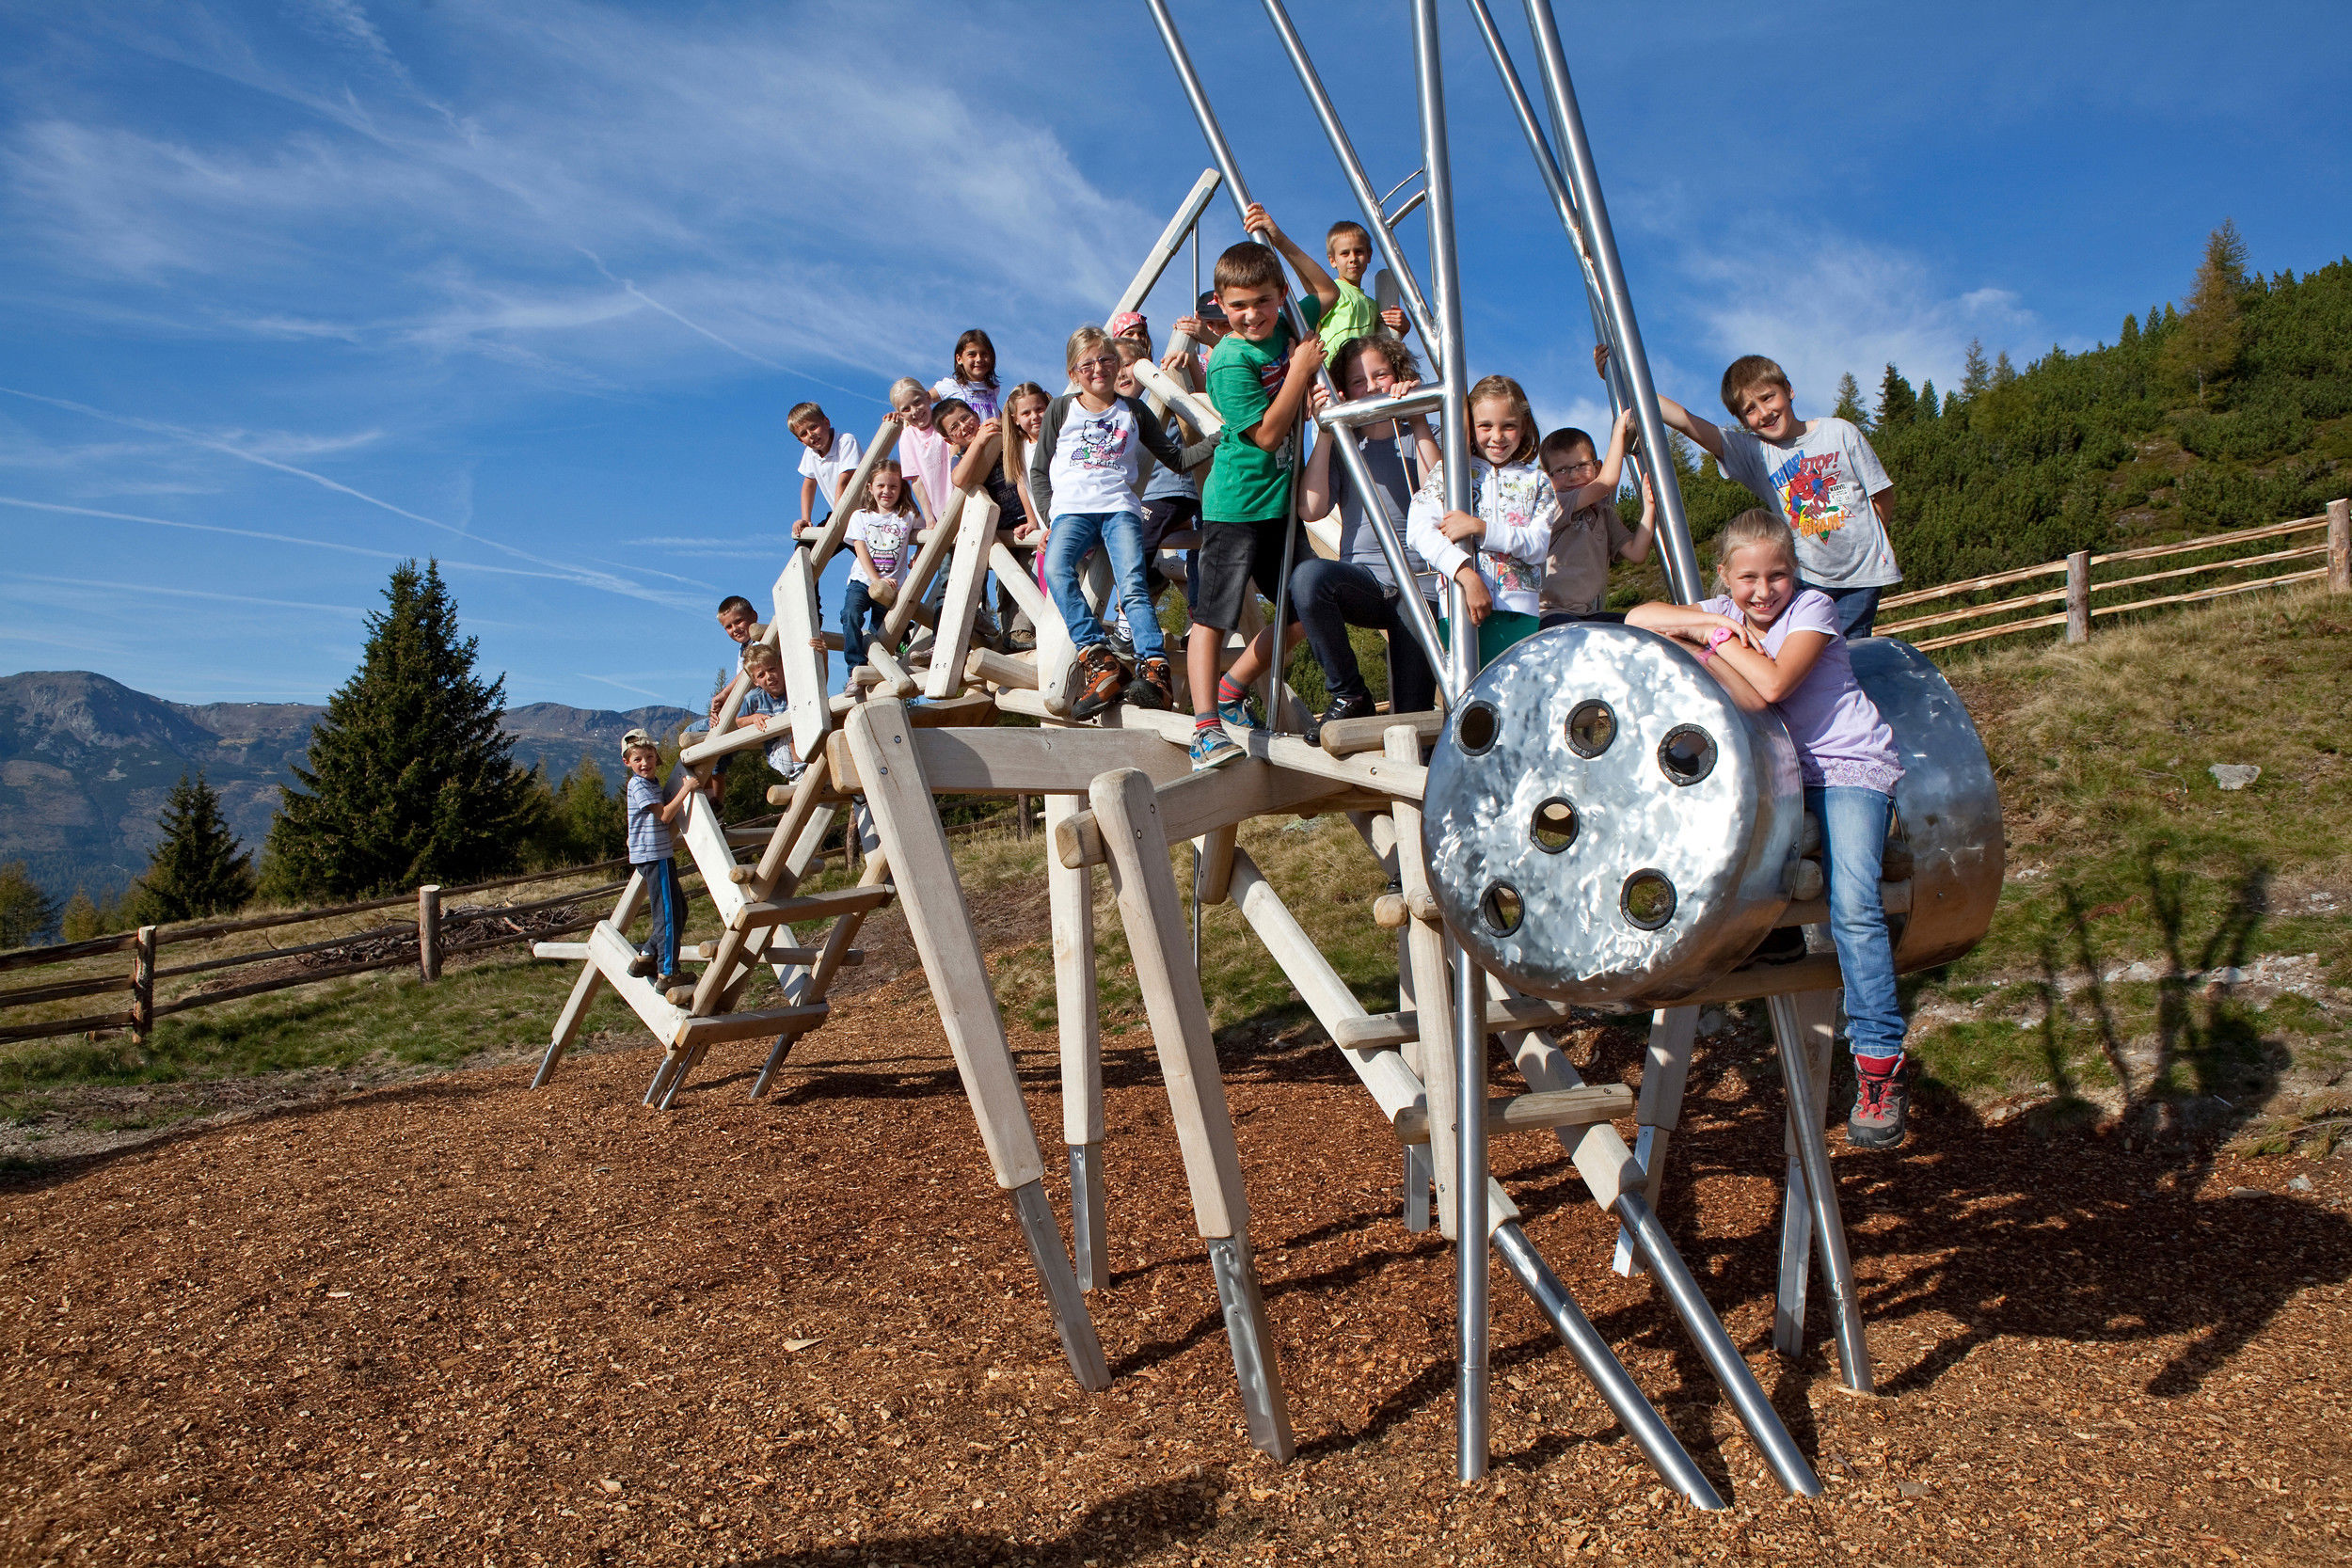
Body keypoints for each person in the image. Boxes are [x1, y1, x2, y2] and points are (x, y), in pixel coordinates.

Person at [1626, 509, 1913, 1148]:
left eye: (1777, 574)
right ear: (1726, 577)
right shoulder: (1725, 609)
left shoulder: (1811, 609)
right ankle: (1767, 939)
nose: (1763, 591)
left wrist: (1715, 645)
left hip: (1844, 765)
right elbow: (1637, 619)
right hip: (1773, 773)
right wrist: (1711, 621)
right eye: (1748, 578)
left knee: (1854, 904)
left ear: (1796, 573)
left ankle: (1878, 1062)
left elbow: (1774, 686)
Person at [1601, 346, 1899, 635]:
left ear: (1789, 390)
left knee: (1848, 657)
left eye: (1768, 397)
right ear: (1741, 420)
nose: (1764, 412)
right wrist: (1619, 378)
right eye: (1750, 410)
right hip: (1805, 579)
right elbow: (1685, 420)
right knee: (1799, 656)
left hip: (1861, 577)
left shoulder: (1839, 432)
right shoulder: (1757, 455)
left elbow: (1881, 493)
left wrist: (1869, 547)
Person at [1188, 202, 1337, 770]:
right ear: (1222, 309)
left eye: (1263, 302)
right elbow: (1269, 435)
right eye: (1239, 306)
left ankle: (1231, 690)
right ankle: (1204, 725)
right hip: (1236, 504)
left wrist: (1278, 235)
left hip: (1279, 505)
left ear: (1278, 296)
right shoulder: (1229, 360)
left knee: (1303, 610)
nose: (1253, 316)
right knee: (1213, 615)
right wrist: (1300, 373)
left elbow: (1325, 292)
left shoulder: (1287, 327)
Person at [1030, 324, 1197, 719]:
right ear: (1074, 373)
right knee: (1056, 567)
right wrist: (1050, 516)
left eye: (1106, 359)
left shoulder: (1133, 410)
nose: (1098, 368)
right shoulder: (1061, 408)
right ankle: (1099, 659)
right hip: (1071, 511)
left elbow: (1175, 458)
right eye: (1087, 363)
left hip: (1120, 508)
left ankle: (1154, 669)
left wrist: (1218, 440)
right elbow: (1039, 470)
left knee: (1134, 585)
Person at [1292, 334, 1443, 736]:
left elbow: (1440, 495)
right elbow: (1311, 508)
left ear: (1399, 375)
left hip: (1422, 586)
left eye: (1381, 374)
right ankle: (1349, 692)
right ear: (1345, 390)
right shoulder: (1347, 443)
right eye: (1359, 381)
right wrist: (1327, 428)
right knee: (1308, 579)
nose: (1372, 386)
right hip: (1368, 582)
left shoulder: (1419, 434)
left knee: (1411, 719)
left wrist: (1416, 414)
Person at [1406, 376, 1613, 669]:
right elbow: (1418, 531)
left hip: (1520, 616)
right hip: (1460, 608)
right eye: (1485, 425)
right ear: (1468, 426)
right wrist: (1465, 575)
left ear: (1524, 426)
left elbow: (1537, 546)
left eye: (1508, 426)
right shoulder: (1449, 473)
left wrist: (1480, 528)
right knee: (1469, 699)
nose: (1497, 436)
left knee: (1517, 702)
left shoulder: (1537, 481)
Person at [1535, 424, 1654, 626]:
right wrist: (1619, 433)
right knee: (1574, 635)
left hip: (1586, 614)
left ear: (1597, 468)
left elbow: (1637, 553)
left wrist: (1649, 506)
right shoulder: (1557, 504)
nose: (1573, 476)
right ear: (1549, 479)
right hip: (1549, 613)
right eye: (1562, 470)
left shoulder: (1604, 514)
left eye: (1582, 465)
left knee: (1641, 628)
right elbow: (1607, 483)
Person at [622, 735, 697, 990]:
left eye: (650, 757)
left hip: (656, 853)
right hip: (655, 855)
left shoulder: (649, 783)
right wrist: (685, 790)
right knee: (667, 914)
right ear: (627, 762)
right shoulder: (640, 785)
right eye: (638, 759)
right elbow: (664, 815)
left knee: (679, 910)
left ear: (657, 758)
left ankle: (646, 957)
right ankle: (667, 973)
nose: (645, 763)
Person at [841, 459, 918, 669]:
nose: (887, 491)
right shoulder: (860, 516)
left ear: (901, 488)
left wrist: (919, 554)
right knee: (850, 615)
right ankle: (855, 667)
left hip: (893, 585)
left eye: (893, 486)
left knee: (881, 632)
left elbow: (929, 529)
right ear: (870, 487)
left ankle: (873, 669)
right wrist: (877, 581)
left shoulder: (907, 516)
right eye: (881, 486)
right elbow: (861, 550)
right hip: (863, 580)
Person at [1316, 219, 1410, 357]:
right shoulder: (1332, 292)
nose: (1353, 258)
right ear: (1332, 260)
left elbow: (1382, 345)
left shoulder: (1374, 306)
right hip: (1332, 370)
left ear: (1369, 255)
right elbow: (1310, 325)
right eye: (1345, 253)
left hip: (1361, 373)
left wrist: (1403, 328)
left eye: (1358, 251)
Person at [734, 641, 813, 784]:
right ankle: (799, 773)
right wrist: (753, 718)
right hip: (779, 753)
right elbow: (739, 721)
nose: (769, 676)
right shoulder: (754, 698)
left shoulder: (793, 688)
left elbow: (819, 686)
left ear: (782, 667)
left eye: (771, 669)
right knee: (794, 728)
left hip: (807, 746)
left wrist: (824, 656)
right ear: (755, 681)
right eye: (761, 675)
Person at [887, 377, 957, 529]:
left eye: (917, 402)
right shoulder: (907, 437)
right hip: (940, 513)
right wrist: (929, 517)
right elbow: (917, 481)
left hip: (961, 500)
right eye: (906, 409)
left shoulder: (944, 420)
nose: (915, 411)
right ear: (900, 414)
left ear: (927, 397)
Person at [789, 403, 862, 544]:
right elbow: (808, 485)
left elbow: (845, 481)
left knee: (875, 561)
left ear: (826, 422)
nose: (811, 435)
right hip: (837, 515)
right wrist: (806, 519)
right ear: (801, 441)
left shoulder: (845, 441)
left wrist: (837, 519)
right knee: (804, 547)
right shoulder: (810, 454)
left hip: (861, 515)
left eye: (813, 427)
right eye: (804, 434)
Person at [931, 328, 1003, 420]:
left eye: (984, 354)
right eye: (972, 355)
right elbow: (923, 399)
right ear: (959, 359)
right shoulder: (952, 386)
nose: (979, 359)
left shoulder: (993, 390)